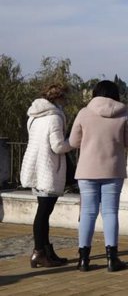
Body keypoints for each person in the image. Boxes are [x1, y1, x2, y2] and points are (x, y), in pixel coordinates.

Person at [69, 80, 128, 272]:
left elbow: (74, 141)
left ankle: (83, 259)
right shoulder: (123, 113)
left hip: (87, 170)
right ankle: (112, 259)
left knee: (88, 213)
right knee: (110, 213)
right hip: (113, 170)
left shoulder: (84, 113)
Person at [20, 82, 73, 268]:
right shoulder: (54, 117)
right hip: (48, 169)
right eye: (65, 97)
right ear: (58, 98)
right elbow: (58, 146)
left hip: (35, 167)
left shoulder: (33, 116)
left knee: (43, 213)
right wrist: (74, 142)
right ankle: (39, 253)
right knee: (43, 214)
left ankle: (46, 251)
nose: (66, 101)